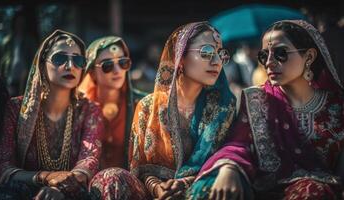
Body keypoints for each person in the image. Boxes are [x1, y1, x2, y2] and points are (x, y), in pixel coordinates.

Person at [188, 20, 344, 200]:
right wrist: (229, 168)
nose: (269, 62)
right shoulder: (257, 100)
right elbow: (239, 144)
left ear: (309, 57)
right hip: (260, 190)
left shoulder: (337, 106)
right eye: (263, 55)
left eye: (280, 53)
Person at [89, 21, 236, 200]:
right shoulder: (148, 107)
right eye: (206, 52)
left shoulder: (223, 107)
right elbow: (140, 169)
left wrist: (182, 184)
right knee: (111, 177)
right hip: (153, 193)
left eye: (221, 54)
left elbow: (223, 162)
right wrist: (158, 188)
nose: (216, 62)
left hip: (199, 190)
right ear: (180, 57)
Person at [0, 30, 103, 200]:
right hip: (27, 190)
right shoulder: (17, 108)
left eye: (77, 60)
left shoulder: (89, 110)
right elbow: (2, 166)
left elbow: (89, 160)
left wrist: (62, 188)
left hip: (72, 191)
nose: (70, 66)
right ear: (42, 64)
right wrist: (45, 177)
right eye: (60, 58)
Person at [79, 36, 146, 169]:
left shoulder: (142, 104)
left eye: (123, 63)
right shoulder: (80, 107)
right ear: (91, 73)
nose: (117, 70)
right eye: (107, 65)